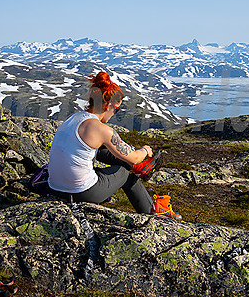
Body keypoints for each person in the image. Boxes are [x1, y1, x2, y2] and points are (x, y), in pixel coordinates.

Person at [47, 72, 179, 219]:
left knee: (101, 150)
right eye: (116, 109)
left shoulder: (74, 118)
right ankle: (153, 213)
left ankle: (140, 168)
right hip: (80, 192)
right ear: (108, 105)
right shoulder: (102, 129)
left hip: (54, 187)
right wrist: (144, 150)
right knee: (123, 173)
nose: (114, 113)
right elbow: (134, 157)